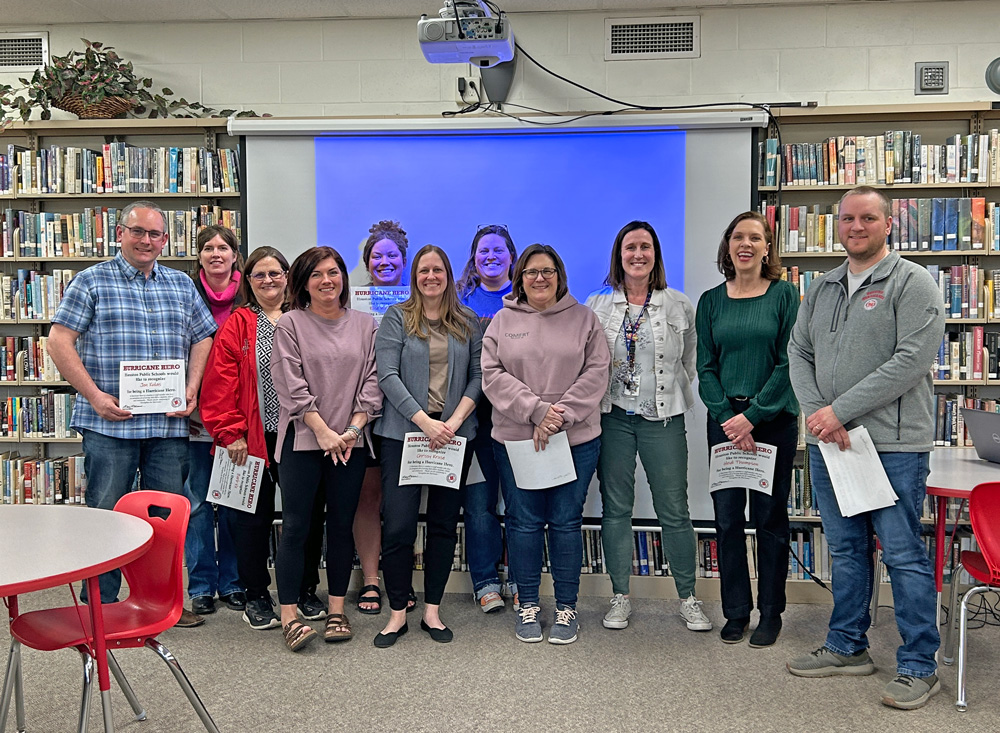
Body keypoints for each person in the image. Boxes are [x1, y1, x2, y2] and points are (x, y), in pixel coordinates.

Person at [786, 186, 945, 710]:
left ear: (888, 224)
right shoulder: (825, 286)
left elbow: (911, 361)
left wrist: (839, 411)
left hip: (893, 445)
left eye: (868, 218)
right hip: (832, 442)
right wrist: (819, 415)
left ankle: (920, 665)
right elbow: (799, 350)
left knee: (902, 554)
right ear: (838, 225)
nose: (856, 227)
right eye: (848, 219)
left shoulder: (912, 282)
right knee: (848, 551)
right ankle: (848, 646)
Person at [48, 200, 216, 619]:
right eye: (138, 232)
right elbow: (58, 341)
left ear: (165, 240)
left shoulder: (179, 285)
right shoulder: (91, 281)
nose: (146, 241)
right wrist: (94, 396)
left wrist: (191, 387)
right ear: (119, 233)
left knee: (164, 519)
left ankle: (157, 602)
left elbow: (202, 338)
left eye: (155, 234)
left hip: (166, 425)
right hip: (110, 425)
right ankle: (101, 607)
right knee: (105, 516)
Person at [587, 221, 712, 634]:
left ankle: (688, 597)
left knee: (674, 511)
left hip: (663, 419)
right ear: (618, 256)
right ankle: (620, 594)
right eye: (629, 248)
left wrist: (666, 396)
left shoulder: (679, 304)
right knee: (616, 509)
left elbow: (690, 362)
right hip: (613, 419)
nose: (637, 254)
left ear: (656, 254)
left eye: (645, 247)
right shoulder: (597, 306)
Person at [482, 244, 610, 645]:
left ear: (560, 275)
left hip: (575, 439)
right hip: (517, 440)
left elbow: (596, 372)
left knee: (567, 522)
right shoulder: (502, 321)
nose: (540, 278)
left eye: (548, 271)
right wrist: (537, 412)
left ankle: (567, 607)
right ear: (519, 277)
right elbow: (492, 374)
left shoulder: (585, 319)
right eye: (532, 271)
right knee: (523, 522)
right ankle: (529, 606)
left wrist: (558, 416)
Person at [200, 247, 327, 631]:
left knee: (303, 519)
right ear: (248, 281)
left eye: (275, 273)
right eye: (259, 275)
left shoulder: (305, 319)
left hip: (302, 434)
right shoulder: (238, 324)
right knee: (250, 521)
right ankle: (256, 594)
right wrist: (230, 433)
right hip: (250, 437)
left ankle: (304, 589)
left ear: (289, 277)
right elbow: (219, 383)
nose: (269, 281)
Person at [695, 212, 799, 647]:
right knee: (726, 520)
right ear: (728, 246)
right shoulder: (711, 301)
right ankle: (736, 611)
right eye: (738, 236)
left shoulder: (784, 295)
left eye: (755, 237)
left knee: (770, 519)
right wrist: (728, 417)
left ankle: (771, 612)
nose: (746, 244)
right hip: (724, 423)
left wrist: (752, 417)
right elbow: (704, 366)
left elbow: (789, 360)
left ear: (767, 247)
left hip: (772, 422)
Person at [270, 246, 382, 651]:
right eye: (316, 274)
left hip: (351, 442)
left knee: (341, 526)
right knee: (298, 527)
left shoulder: (367, 325)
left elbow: (373, 383)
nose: (326, 281)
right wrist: (321, 430)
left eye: (333, 272)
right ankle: (289, 617)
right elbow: (290, 384)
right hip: (303, 441)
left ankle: (337, 610)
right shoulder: (290, 325)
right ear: (303, 282)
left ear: (343, 278)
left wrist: (350, 431)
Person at [373, 245, 482, 647]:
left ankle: (433, 611)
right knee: (399, 527)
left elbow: (478, 377)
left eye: (437, 270)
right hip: (404, 436)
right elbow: (387, 375)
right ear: (414, 276)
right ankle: (398, 613)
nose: (430, 276)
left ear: (448, 275)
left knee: (441, 525)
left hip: (453, 438)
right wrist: (424, 422)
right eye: (423, 270)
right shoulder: (396, 318)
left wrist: (451, 424)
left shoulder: (467, 321)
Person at [183, 225, 247, 618]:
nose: (216, 254)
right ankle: (202, 585)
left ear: (235, 255)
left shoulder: (250, 297)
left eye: (224, 247)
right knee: (198, 505)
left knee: (237, 502)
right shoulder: (184, 295)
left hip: (238, 420)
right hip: (194, 419)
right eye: (208, 248)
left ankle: (234, 582)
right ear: (200, 256)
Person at [457, 224, 519, 612]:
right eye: (483, 251)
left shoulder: (529, 301)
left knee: (519, 503)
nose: (491, 257)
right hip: (475, 424)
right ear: (474, 259)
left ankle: (518, 577)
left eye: (498, 251)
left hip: (518, 422)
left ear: (512, 256)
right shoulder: (460, 304)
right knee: (479, 505)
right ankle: (484, 581)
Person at [354, 219, 412, 614]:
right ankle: (372, 581)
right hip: (361, 415)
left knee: (401, 503)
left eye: (393, 255)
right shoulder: (350, 303)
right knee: (368, 499)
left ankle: (400, 580)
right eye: (378, 255)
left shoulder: (421, 302)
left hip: (407, 414)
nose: (385, 261)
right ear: (367, 262)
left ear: (404, 261)